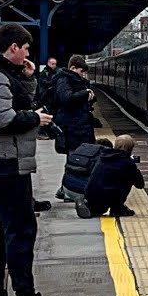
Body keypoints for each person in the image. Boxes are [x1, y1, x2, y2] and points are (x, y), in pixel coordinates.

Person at [0, 23, 68, 296]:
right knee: (21, 229)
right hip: (5, 163)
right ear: (13, 47)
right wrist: (34, 119)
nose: (28, 54)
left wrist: (27, 79)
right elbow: (1, 118)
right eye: (26, 48)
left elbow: (13, 102)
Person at [53, 55, 95, 196]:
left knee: (79, 159)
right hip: (72, 127)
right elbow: (67, 99)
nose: (83, 75)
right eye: (81, 71)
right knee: (75, 160)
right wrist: (84, 93)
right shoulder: (63, 79)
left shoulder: (78, 81)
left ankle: (69, 188)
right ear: (72, 68)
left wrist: (90, 97)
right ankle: (69, 189)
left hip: (81, 125)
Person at [75, 134, 143, 218]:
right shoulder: (127, 163)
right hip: (109, 197)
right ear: (130, 148)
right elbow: (140, 184)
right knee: (128, 178)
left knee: (98, 210)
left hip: (91, 194)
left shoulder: (103, 156)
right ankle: (117, 209)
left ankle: (89, 206)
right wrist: (134, 168)